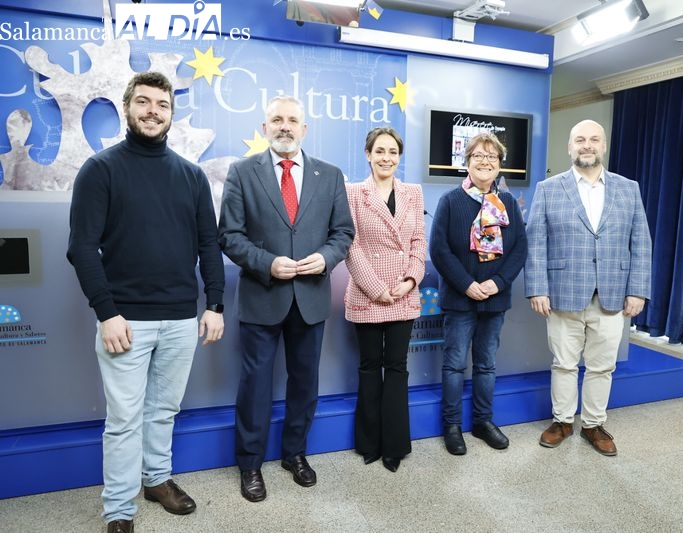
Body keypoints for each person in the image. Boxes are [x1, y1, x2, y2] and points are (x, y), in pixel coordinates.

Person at [67, 71, 225, 533]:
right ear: (128, 108)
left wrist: (214, 303)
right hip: (125, 320)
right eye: (144, 102)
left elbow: (208, 245)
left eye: (162, 104)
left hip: (180, 319)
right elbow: (81, 248)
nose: (153, 111)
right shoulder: (100, 170)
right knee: (123, 420)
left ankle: (157, 480)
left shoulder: (192, 176)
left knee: (163, 410)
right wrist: (106, 313)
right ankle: (119, 508)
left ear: (171, 114)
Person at [218, 95, 354, 502]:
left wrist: (326, 259)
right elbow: (229, 235)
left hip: (311, 297)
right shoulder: (242, 173)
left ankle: (295, 454)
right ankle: (250, 464)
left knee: (304, 384)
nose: (285, 126)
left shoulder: (329, 175)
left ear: (305, 129)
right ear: (264, 127)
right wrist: (267, 263)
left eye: (293, 120)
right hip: (263, 294)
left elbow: (343, 234)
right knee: (256, 385)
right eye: (276, 119)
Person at [524, 119, 652, 457]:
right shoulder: (549, 189)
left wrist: (638, 290)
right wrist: (537, 288)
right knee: (564, 363)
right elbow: (535, 242)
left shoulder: (629, 188)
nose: (587, 145)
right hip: (563, 292)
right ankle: (563, 421)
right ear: (570, 147)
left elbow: (641, 243)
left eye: (594, 139)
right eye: (579, 139)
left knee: (602, 366)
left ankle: (593, 424)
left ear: (604, 146)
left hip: (613, 294)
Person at [429, 132, 527, 456]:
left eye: (492, 157)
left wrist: (497, 283)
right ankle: (452, 426)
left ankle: (483, 422)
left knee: (486, 365)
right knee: (455, 364)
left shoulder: (508, 203)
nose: (485, 162)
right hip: (460, 299)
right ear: (466, 163)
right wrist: (467, 284)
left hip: (495, 299)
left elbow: (519, 250)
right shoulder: (449, 201)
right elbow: (439, 250)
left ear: (499, 166)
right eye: (478, 157)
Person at [344, 127, 426, 473]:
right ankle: (369, 442)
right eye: (380, 151)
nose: (386, 158)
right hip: (367, 293)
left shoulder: (413, 192)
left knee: (396, 368)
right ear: (368, 154)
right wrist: (377, 289)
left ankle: (394, 444)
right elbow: (351, 246)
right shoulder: (352, 193)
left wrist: (410, 280)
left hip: (404, 296)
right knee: (368, 368)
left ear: (399, 156)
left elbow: (419, 241)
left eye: (392, 152)